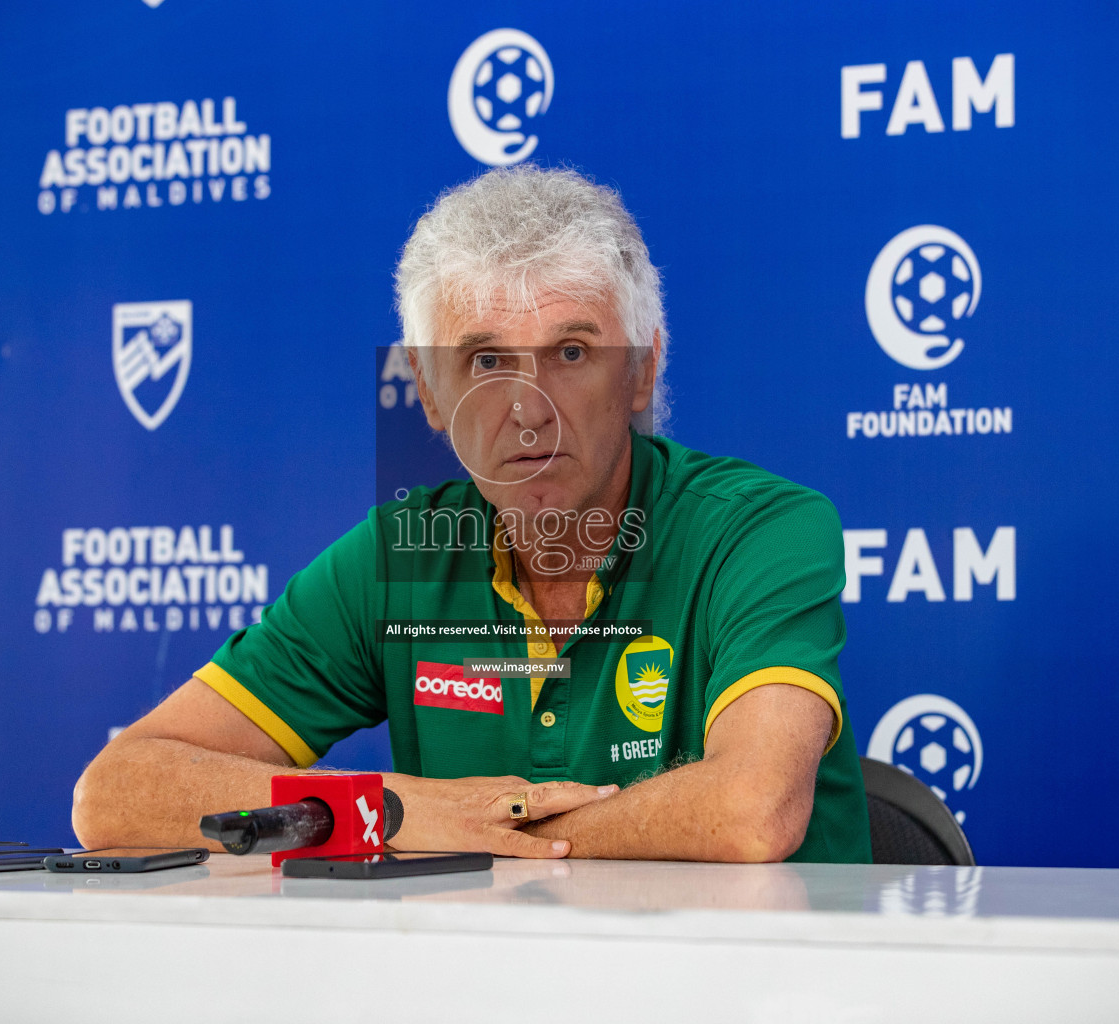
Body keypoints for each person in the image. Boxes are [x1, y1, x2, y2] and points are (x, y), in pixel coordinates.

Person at [72, 166, 871, 863]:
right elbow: (114, 796)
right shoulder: (397, 557)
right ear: (428, 391)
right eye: (485, 361)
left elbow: (751, 813)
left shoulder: (761, 530)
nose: (529, 412)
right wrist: (406, 812)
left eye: (571, 353)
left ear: (640, 372)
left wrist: (480, 832)